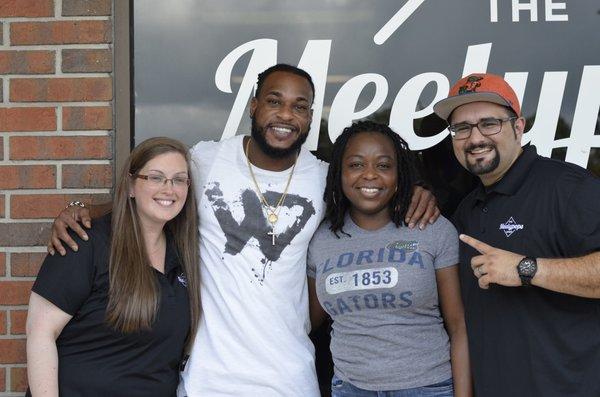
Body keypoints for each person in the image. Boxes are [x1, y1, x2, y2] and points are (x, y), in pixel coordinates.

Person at [47, 64, 440, 396]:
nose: (286, 115)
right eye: (274, 101)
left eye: (299, 106)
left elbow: (374, 190)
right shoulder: (206, 160)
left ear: (309, 116)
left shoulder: (324, 179)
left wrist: (417, 192)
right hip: (208, 377)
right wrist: (85, 210)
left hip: (290, 377)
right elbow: (153, 192)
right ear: (253, 105)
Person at [432, 73, 600, 397]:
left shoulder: (569, 189)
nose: (475, 137)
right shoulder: (466, 211)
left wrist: (527, 269)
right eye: (461, 128)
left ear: (518, 127)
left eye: (489, 123)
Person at [26, 137, 201, 396]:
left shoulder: (183, 254)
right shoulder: (86, 242)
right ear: (131, 185)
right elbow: (41, 332)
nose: (169, 189)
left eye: (178, 179)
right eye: (155, 177)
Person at [307, 121, 471, 397]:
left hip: (427, 387)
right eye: (356, 165)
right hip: (351, 388)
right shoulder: (321, 239)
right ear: (339, 173)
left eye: (383, 165)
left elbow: (459, 327)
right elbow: (307, 322)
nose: (370, 175)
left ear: (400, 175)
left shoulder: (431, 229)